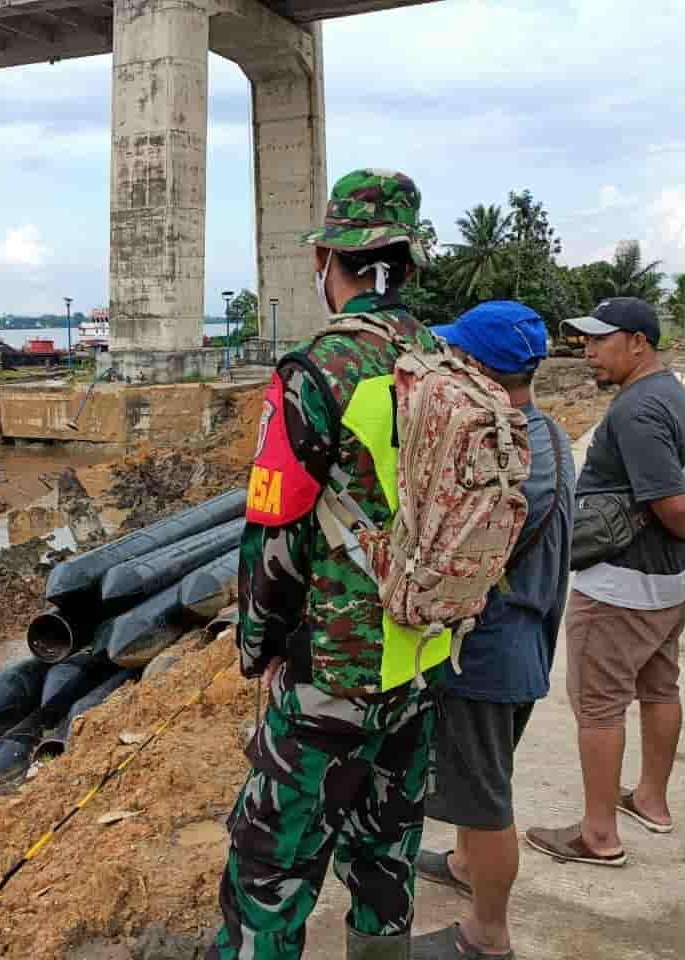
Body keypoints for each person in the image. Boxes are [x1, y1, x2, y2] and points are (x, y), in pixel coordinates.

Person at [207, 170, 455, 960]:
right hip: (422, 659)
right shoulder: (443, 360)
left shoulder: (316, 372)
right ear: (409, 263)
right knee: (387, 856)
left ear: (326, 259)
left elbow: (273, 534)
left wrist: (258, 646)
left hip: (332, 673)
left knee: (268, 867)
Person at [526, 297, 685, 867]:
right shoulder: (677, 397)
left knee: (599, 705)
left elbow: (673, 500)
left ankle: (597, 835)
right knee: (661, 687)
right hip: (668, 586)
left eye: (598, 340)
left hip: (621, 588)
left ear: (637, 341)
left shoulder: (636, 410)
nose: (586, 351)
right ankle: (651, 800)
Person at [412, 301, 574, 960]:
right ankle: (460, 865)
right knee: (482, 776)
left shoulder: (497, 454)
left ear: (478, 366)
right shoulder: (548, 434)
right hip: (523, 638)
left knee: (487, 797)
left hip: (488, 651)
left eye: (455, 357)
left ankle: (487, 935)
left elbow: (448, 559)